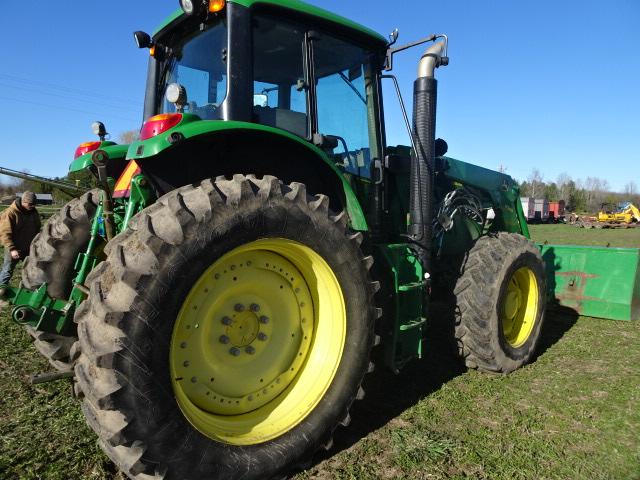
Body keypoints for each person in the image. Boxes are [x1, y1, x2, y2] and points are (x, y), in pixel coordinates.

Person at [0, 191, 41, 297]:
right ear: (23, 202)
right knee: (7, 270)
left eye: (34, 204)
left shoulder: (33, 212)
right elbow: (5, 233)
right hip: (14, 248)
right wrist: (12, 249)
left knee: (31, 270)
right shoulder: (10, 213)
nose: (32, 206)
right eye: (30, 204)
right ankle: (1, 291)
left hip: (29, 248)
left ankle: (26, 293)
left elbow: (37, 229)